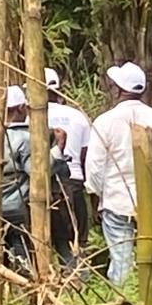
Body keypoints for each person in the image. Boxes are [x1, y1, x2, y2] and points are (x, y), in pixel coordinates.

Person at [85, 62, 152, 286]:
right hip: (150, 203)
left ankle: (125, 300)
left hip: (117, 201)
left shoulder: (105, 122)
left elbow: (95, 167)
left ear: (117, 90)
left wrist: (96, 198)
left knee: (121, 260)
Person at [0, 85, 69, 274]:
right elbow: (37, 172)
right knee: (24, 259)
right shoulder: (28, 139)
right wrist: (58, 150)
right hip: (20, 209)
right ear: (22, 108)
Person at [45, 67, 92, 270]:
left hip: (47, 184)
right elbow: (85, 155)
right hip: (74, 182)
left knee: (54, 238)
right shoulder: (78, 116)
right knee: (77, 238)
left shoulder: (31, 116)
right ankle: (79, 276)